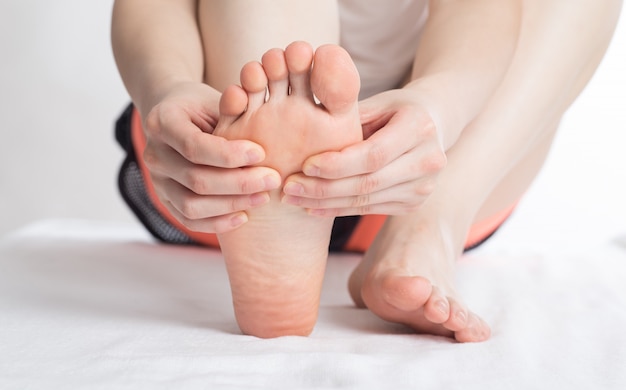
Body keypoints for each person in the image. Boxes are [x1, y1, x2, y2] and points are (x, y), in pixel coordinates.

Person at [111, 0, 622, 342]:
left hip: (429, 175)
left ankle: (421, 233)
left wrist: (438, 110)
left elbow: (485, 21)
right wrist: (167, 89)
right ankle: (271, 167)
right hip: (201, 172)